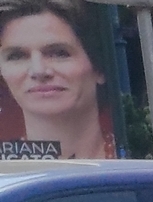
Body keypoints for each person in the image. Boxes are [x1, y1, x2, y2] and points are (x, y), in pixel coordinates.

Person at [0, 0, 113, 160]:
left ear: (99, 67)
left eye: (59, 53)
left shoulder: (141, 156)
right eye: (16, 56)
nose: (38, 71)